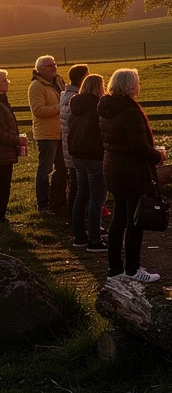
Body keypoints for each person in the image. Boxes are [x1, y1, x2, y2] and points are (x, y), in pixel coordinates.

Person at [98, 68, 165, 282]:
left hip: (113, 168)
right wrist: (157, 156)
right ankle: (133, 269)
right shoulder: (130, 112)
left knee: (119, 218)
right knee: (135, 220)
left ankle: (115, 269)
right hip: (131, 171)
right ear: (130, 86)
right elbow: (138, 146)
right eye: (137, 82)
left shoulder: (106, 108)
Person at [68, 73, 107, 251]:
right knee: (96, 198)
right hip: (94, 156)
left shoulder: (75, 107)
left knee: (81, 196)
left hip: (77, 156)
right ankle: (94, 239)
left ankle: (79, 236)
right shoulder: (98, 107)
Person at [29, 55, 66, 213]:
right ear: (40, 69)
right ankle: (43, 204)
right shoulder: (36, 86)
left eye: (55, 64)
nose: (55, 67)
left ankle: (58, 200)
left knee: (63, 168)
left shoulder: (58, 82)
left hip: (60, 132)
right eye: (50, 65)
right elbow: (38, 111)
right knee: (45, 170)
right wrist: (61, 107)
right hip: (46, 134)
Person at [59, 64, 89, 227]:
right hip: (76, 148)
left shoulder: (65, 96)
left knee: (76, 187)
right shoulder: (75, 100)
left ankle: (75, 220)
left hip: (69, 147)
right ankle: (77, 221)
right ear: (82, 78)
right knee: (79, 188)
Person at [0, 70, 21, 223]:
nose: (8, 82)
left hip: (5, 152)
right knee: (2, 186)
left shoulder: (3, 100)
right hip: (2, 153)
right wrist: (16, 140)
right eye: (4, 80)